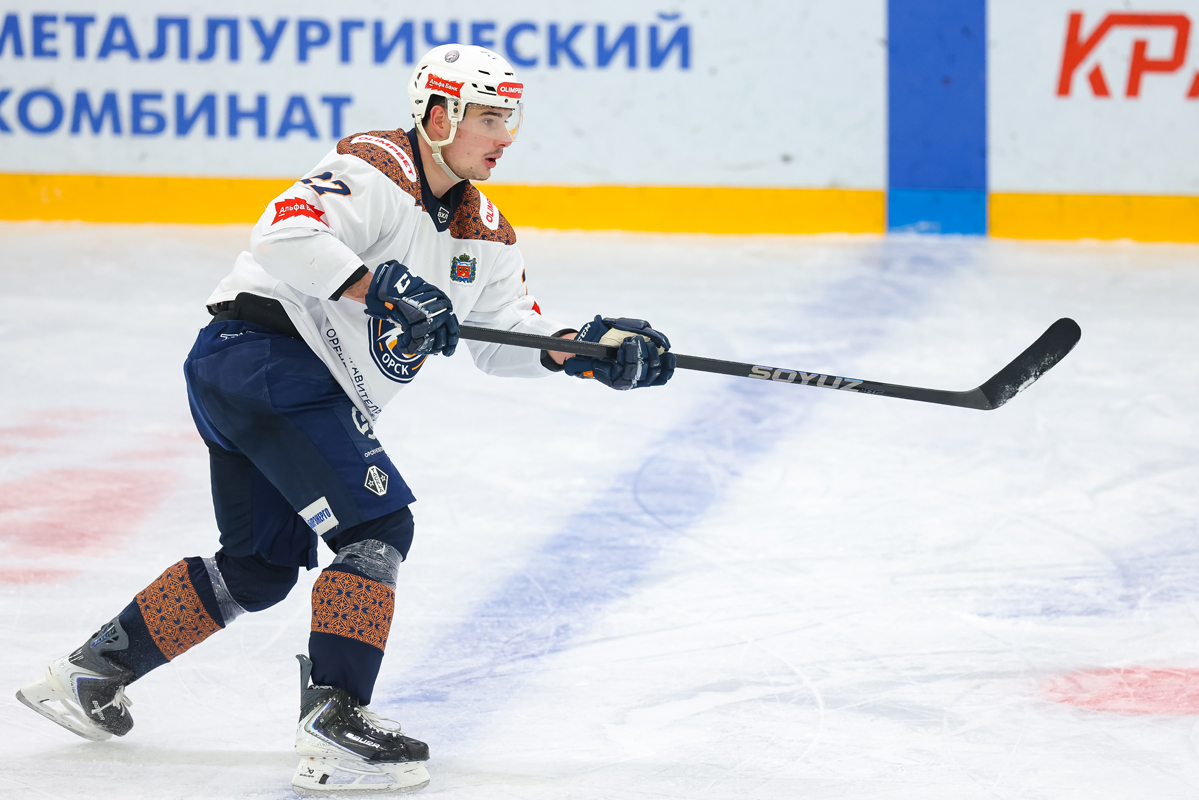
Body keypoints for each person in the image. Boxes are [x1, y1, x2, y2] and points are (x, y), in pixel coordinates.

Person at [16, 43, 675, 796]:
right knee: (378, 525)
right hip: (265, 358)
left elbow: (504, 338)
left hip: (265, 383)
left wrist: (582, 350)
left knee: (260, 567)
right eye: (489, 118)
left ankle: (89, 675)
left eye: (510, 119)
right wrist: (375, 286)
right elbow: (282, 231)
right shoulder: (372, 168)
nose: (506, 136)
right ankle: (335, 723)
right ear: (437, 115)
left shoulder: (485, 230)